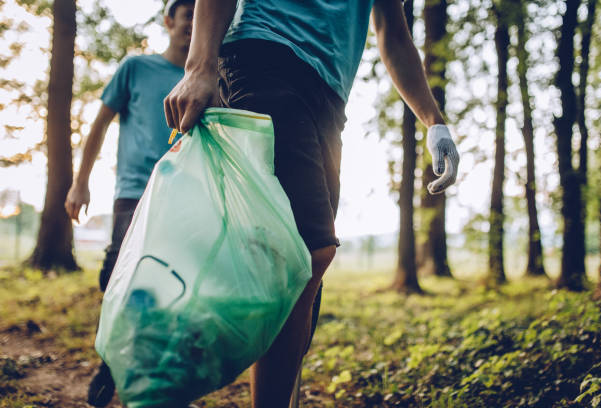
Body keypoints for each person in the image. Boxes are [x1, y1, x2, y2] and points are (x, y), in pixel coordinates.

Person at [166, 1, 460, 407]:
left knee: (303, 269)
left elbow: (392, 31)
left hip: (330, 93)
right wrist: (199, 66)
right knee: (305, 254)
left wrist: (434, 121)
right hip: (265, 54)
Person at [64, 0, 195, 406]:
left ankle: (152, 368)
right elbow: (100, 122)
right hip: (134, 191)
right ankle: (110, 358)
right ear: (169, 21)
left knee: (171, 280)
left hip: (183, 195)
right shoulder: (136, 68)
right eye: (187, 17)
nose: (193, 25)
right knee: (117, 272)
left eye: (200, 18)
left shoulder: (208, 77)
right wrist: (79, 183)